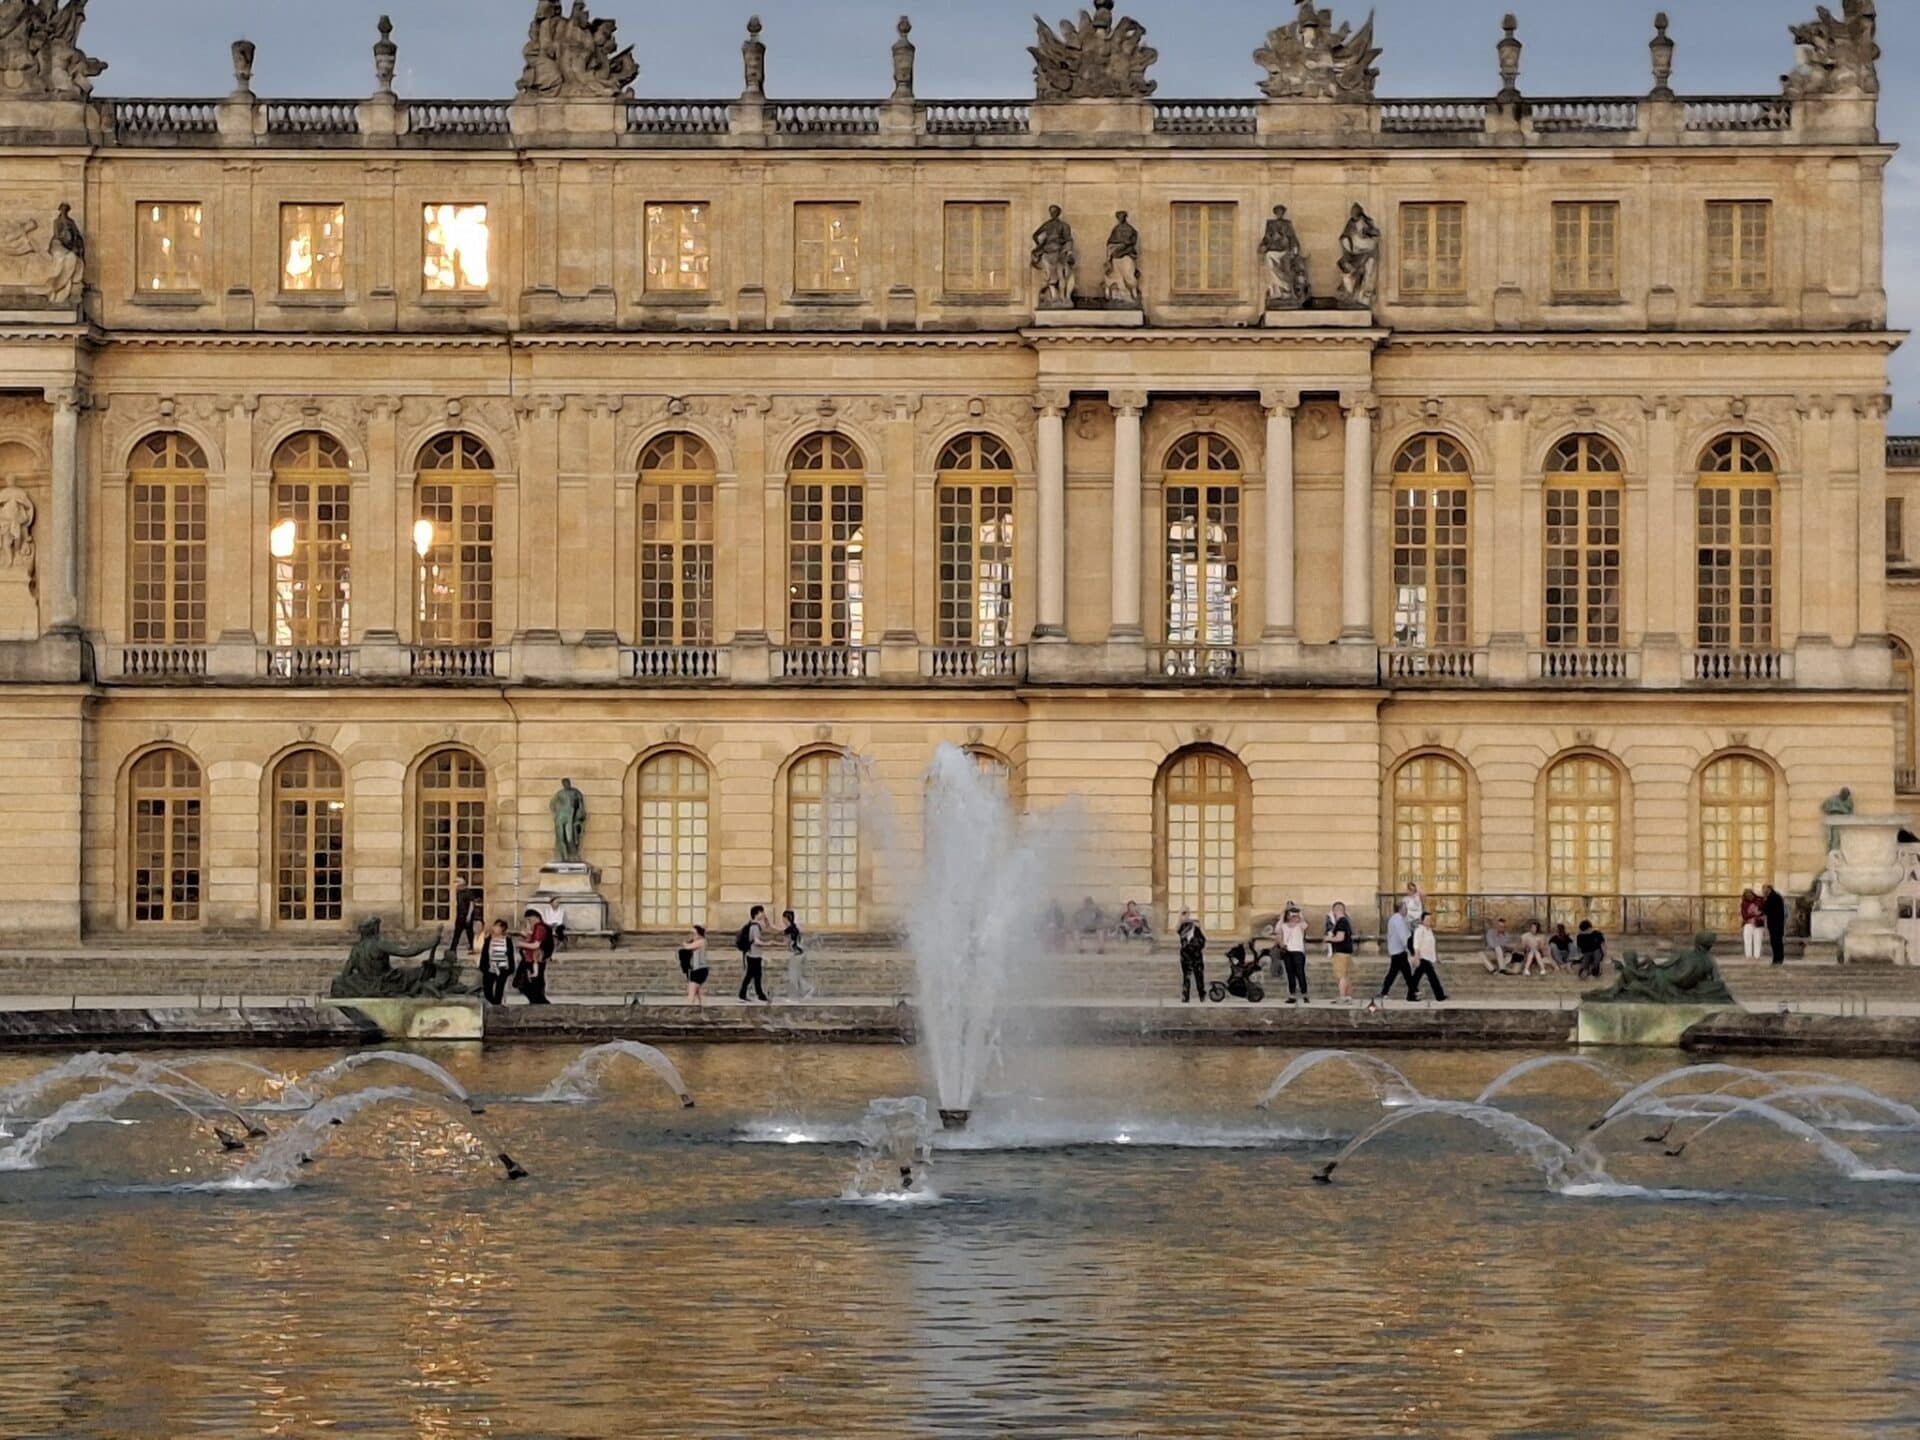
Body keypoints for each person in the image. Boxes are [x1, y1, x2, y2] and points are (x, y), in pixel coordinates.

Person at [1371, 900, 1415, 1009]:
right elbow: (1404, 936)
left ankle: (1385, 992)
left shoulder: (1394, 918)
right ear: (1401, 909)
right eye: (1405, 908)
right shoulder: (1399, 920)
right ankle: (1413, 992)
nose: (1407, 910)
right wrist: (1412, 951)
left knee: (1395, 972)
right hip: (1399, 951)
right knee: (1406, 973)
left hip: (1395, 951)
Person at [515, 909, 552, 1004]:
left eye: (529, 920)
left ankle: (540, 1003)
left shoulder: (539, 927)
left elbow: (536, 945)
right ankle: (538, 1002)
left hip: (534, 959)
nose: (528, 923)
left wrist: (520, 944)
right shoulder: (538, 928)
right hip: (532, 959)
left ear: (536, 918)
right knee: (534, 983)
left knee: (526, 982)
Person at [1275, 903, 1309, 1004]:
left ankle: (1304, 993)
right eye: (1291, 915)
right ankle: (1292, 994)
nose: (1293, 917)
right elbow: (1277, 930)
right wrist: (1283, 914)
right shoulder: (1284, 926)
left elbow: (1305, 924)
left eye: (1295, 915)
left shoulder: (1300, 926)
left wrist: (1299, 912)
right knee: (1290, 974)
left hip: (1298, 951)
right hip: (1287, 951)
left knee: (1300, 973)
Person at [1408, 914, 1447, 1002]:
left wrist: (1436, 957)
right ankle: (1439, 995)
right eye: (1427, 919)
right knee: (1432, 977)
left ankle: (1410, 995)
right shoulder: (1419, 930)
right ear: (1422, 920)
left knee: (1417, 977)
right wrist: (1416, 957)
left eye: (1430, 919)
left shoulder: (1429, 931)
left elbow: (1432, 945)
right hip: (1422, 957)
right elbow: (1416, 944)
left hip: (1428, 957)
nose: (1429, 921)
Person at [477, 918, 515, 1005]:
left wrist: (510, 968)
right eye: (495, 925)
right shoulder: (489, 939)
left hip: (503, 968)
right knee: (487, 989)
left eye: (497, 926)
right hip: (491, 967)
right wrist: (483, 966)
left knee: (499, 988)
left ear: (502, 929)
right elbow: (484, 953)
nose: (494, 928)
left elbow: (510, 954)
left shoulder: (507, 940)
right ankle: (494, 1003)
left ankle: (497, 1005)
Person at [736, 904, 770, 1003]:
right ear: (757, 914)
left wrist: (765, 919)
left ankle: (759, 994)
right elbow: (756, 941)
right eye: (762, 912)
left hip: (753, 954)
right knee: (752, 975)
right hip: (754, 954)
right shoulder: (755, 926)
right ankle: (746, 994)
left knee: (755, 975)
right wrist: (767, 943)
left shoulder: (752, 924)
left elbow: (767, 926)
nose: (763, 914)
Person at [1324, 901, 1355, 1004]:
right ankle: (1348, 996)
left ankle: (1342, 996)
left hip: (1340, 952)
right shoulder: (1346, 921)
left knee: (1341, 976)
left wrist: (1329, 939)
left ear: (1336, 910)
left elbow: (1340, 937)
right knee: (1346, 976)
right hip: (1346, 952)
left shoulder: (1341, 922)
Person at [783, 908, 814, 1001]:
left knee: (793, 976)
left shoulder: (788, 930)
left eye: (783, 919)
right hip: (801, 953)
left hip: (797, 954)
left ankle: (794, 997)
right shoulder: (795, 928)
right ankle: (808, 989)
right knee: (797, 975)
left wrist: (772, 943)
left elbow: (786, 943)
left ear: (785, 919)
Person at [1176, 909, 1206, 1003]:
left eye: (1187, 914)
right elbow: (1178, 931)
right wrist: (1180, 919)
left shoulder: (1196, 929)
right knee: (1187, 977)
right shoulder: (1182, 928)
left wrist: (1197, 947)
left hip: (1196, 956)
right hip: (1186, 956)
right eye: (1184, 915)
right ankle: (1185, 996)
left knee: (1199, 976)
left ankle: (1202, 995)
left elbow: (1203, 941)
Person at [451, 876, 484, 956]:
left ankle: (473, 948)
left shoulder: (468, 892)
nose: (457, 885)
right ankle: (452, 949)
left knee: (470, 933)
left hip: (466, 915)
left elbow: (471, 905)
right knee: (457, 934)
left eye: (458, 884)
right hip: (460, 916)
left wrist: (469, 915)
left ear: (463, 885)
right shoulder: (458, 892)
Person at [678, 923, 709, 1005]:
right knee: (699, 993)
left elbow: (688, 947)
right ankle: (705, 1011)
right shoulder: (697, 942)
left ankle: (689, 1009)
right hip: (696, 969)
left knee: (691, 993)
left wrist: (685, 943)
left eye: (694, 934)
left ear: (699, 934)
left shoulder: (701, 941)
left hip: (699, 970)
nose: (693, 936)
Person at [1762, 883, 1788, 966]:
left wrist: (1765, 901)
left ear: (1769, 889)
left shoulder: (1773, 897)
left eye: (1764, 889)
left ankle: (1778, 959)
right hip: (1775, 923)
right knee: (1775, 942)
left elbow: (1767, 910)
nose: (1763, 891)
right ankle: (1777, 959)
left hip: (1776, 924)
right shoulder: (1774, 896)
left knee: (1776, 942)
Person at [1739, 888, 1765, 962]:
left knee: (1758, 940)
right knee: (1747, 940)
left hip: (1758, 923)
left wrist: (1759, 914)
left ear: (1753, 894)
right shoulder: (1744, 903)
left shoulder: (1760, 900)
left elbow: (1763, 910)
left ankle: (1757, 957)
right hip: (1748, 924)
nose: (1749, 896)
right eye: (1747, 895)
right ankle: (1748, 957)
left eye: (1750, 894)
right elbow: (1744, 915)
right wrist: (1754, 914)